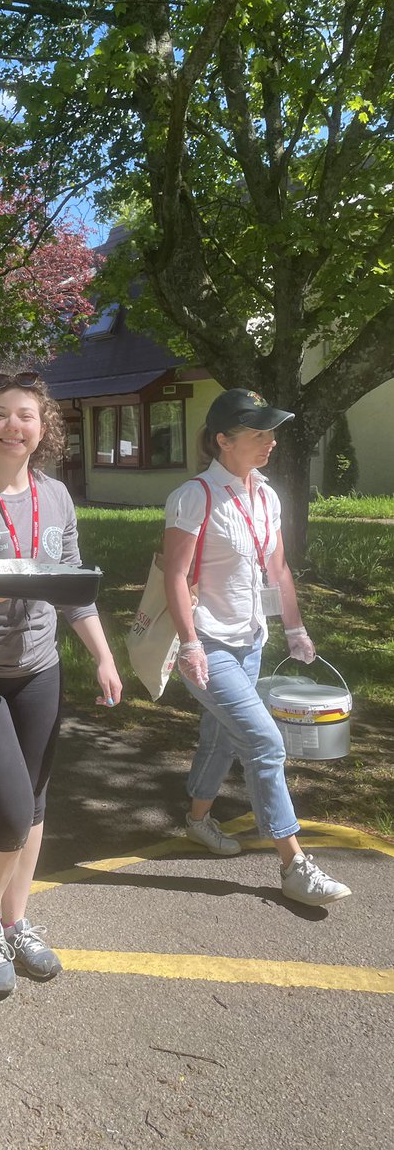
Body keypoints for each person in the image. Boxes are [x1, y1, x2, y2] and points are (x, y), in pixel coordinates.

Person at [0, 372, 122, 995]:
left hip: (38, 670)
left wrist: (105, 658)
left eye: (26, 415)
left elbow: (71, 590)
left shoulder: (57, 498)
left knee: (33, 809)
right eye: (0, 415)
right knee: (7, 814)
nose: (13, 425)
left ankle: (17, 919)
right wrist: (6, 583)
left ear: (43, 427)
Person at [162, 388, 351, 907]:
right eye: (258, 433)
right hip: (209, 643)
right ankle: (294, 864)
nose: (270, 442)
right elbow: (175, 576)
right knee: (264, 744)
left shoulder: (267, 495)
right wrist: (189, 643)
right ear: (223, 440)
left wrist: (294, 629)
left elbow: (278, 569)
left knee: (222, 738)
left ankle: (198, 820)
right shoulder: (194, 496)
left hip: (251, 641)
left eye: (271, 432)